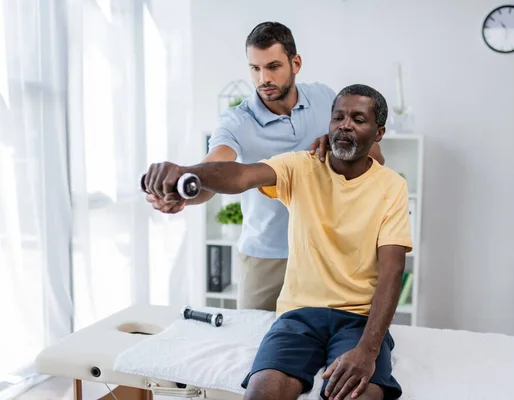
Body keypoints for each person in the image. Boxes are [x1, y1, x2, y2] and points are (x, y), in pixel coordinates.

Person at [143, 84, 411, 400]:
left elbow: (392, 272)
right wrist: (186, 171)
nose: (345, 125)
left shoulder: (392, 187)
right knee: (261, 392)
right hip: (298, 317)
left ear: (378, 133)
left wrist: (368, 350)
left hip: (357, 319)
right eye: (338, 117)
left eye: (358, 118)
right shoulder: (300, 165)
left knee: (360, 396)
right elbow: (241, 175)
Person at [145, 21, 384, 312]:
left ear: (295, 63)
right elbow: (216, 168)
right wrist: (183, 186)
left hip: (325, 251)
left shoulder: (325, 99)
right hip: (267, 257)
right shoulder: (238, 120)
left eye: (273, 66)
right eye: (255, 69)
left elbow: (377, 158)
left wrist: (340, 142)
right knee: (252, 346)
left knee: (323, 343)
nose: (263, 79)